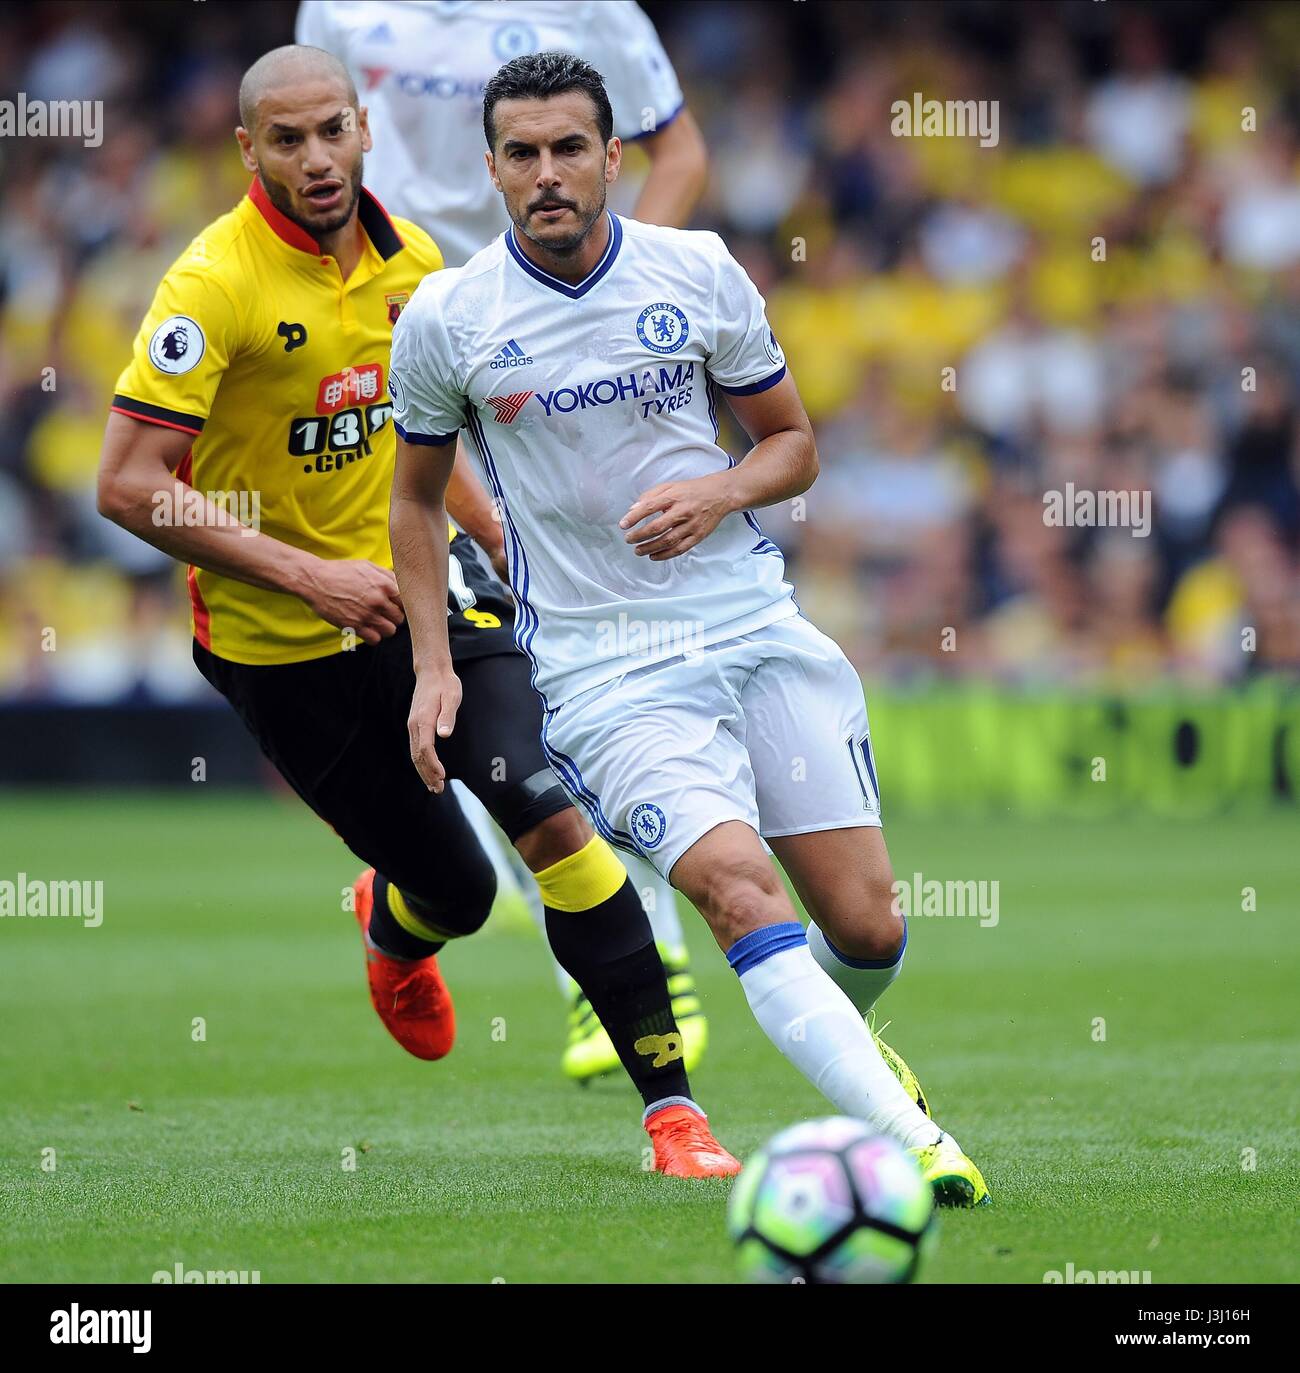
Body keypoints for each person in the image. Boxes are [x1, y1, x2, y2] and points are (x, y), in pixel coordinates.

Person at [95, 44, 739, 1178]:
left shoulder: (423, 266)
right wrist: (308, 573)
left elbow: (424, 453)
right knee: (460, 888)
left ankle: (674, 1116)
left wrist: (501, 538)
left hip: (425, 599)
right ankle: (395, 925)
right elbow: (128, 482)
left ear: (364, 129)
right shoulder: (212, 284)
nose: (315, 158)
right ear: (249, 150)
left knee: (548, 815)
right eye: (285, 140)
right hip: (283, 645)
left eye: (331, 130)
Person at [388, 51, 990, 1205]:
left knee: (865, 929)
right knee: (734, 888)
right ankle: (913, 1147)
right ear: (492, 170)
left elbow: (793, 443)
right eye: (523, 154)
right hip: (605, 670)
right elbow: (413, 502)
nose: (548, 174)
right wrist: (431, 665)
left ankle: (855, 1048)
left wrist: (718, 492)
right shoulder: (449, 318)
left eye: (571, 149)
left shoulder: (700, 272)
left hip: (752, 626)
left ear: (614, 158)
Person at [297, 0, 713, 1085]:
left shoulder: (592, 15)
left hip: (568, 347)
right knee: (534, 665)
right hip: (421, 337)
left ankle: (436, 897)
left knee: (583, 652)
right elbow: (318, 146)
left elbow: (680, 151)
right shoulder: (341, 9)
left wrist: (621, 298)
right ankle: (622, 963)